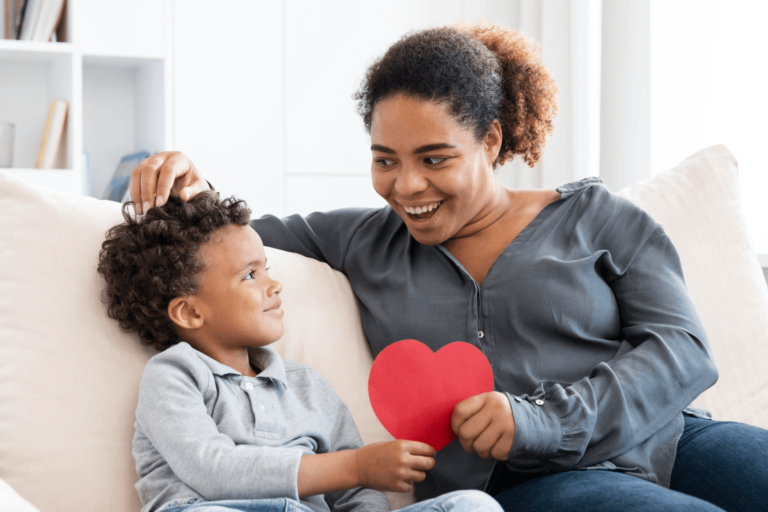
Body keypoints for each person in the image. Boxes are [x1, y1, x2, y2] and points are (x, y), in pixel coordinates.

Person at [128, 23, 768, 512]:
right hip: (542, 483)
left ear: (490, 142)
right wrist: (193, 184)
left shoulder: (601, 218)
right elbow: (230, 249)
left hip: (673, 437)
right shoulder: (362, 240)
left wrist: (541, 418)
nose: (406, 186)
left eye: (434, 159)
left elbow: (684, 350)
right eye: (385, 159)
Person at [96, 192, 502, 512]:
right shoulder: (173, 375)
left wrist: (361, 480)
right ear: (189, 311)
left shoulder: (307, 385)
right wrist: (356, 466)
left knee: (472, 505)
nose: (274, 286)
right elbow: (212, 470)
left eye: (267, 268)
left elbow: (358, 493)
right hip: (211, 507)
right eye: (250, 275)